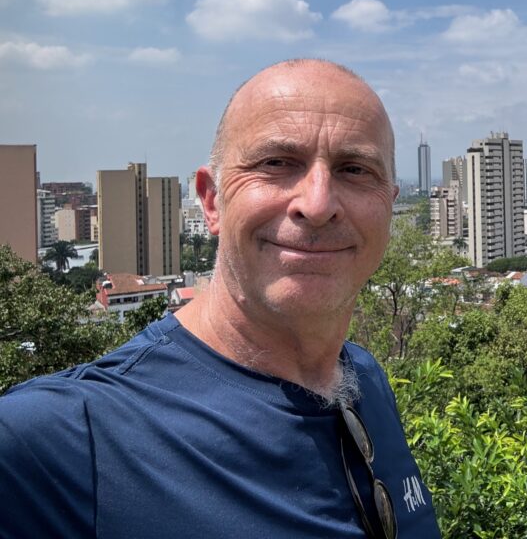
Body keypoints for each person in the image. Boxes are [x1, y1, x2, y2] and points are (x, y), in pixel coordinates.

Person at [0, 59, 442, 539]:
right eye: (276, 163)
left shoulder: (366, 383)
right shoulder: (58, 441)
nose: (316, 205)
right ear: (211, 201)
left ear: (389, 207)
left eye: (354, 169)